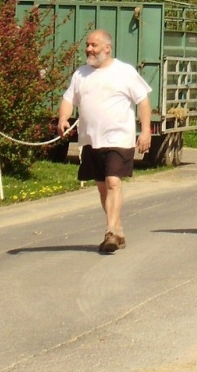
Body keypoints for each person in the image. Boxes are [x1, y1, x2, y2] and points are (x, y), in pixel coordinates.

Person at [57, 29, 152, 253]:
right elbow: (68, 99)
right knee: (102, 187)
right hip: (91, 139)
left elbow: (143, 101)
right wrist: (63, 118)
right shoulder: (80, 74)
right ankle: (117, 229)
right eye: (87, 45)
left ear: (107, 48)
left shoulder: (124, 72)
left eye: (94, 45)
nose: (89, 49)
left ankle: (109, 231)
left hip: (119, 137)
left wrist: (145, 131)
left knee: (113, 182)